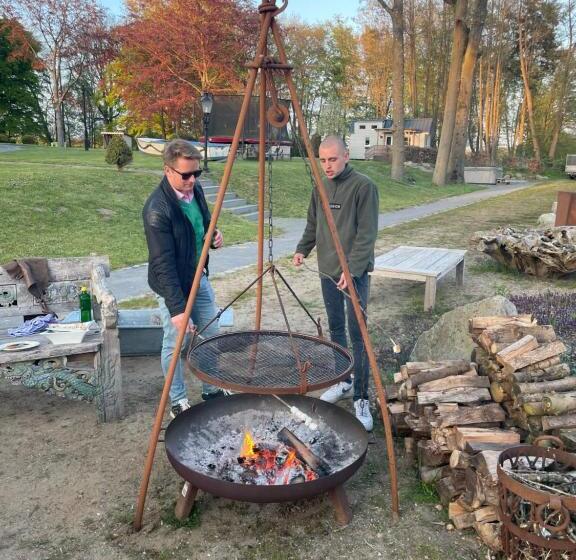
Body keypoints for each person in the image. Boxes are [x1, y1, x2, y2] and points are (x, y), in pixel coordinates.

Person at [293, 136, 379, 431]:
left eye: (333, 159)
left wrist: (352, 268)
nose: (327, 165)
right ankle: (343, 380)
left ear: (346, 156)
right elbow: (313, 225)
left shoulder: (364, 187)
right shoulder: (320, 187)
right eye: (323, 159)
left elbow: (367, 234)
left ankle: (361, 397)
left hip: (353, 273)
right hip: (327, 271)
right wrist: (302, 249)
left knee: (358, 333)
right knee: (336, 328)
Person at [143, 139, 225, 418]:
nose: (192, 180)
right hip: (173, 285)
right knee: (175, 343)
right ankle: (177, 399)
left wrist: (213, 237)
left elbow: (203, 224)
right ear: (168, 171)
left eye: (196, 173)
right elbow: (162, 263)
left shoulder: (196, 191)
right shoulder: (157, 209)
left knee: (210, 334)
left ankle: (211, 389)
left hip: (198, 277)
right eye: (186, 175)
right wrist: (177, 309)